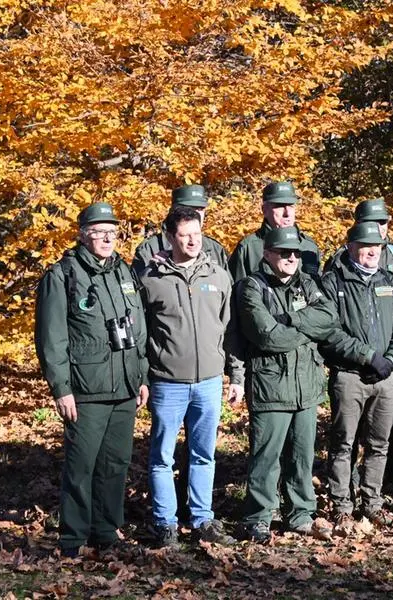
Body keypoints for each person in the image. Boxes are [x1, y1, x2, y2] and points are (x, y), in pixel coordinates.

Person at [34, 202, 149, 557]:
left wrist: (141, 376)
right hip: (86, 389)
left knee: (115, 464)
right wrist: (61, 388)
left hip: (126, 387)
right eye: (99, 232)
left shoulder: (124, 272)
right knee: (81, 465)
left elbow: (139, 328)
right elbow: (51, 339)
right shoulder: (62, 275)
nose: (107, 238)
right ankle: (73, 537)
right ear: (84, 235)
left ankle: (106, 530)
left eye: (112, 232)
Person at [138, 206, 242, 547]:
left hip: (210, 382)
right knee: (162, 456)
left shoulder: (218, 275)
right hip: (167, 382)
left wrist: (236, 375)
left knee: (203, 454)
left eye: (196, 233)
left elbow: (231, 330)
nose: (193, 240)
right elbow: (140, 336)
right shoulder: (151, 279)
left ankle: (202, 520)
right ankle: (165, 522)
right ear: (170, 237)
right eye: (185, 234)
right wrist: (143, 377)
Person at [230, 227, 338, 542]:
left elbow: (330, 318)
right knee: (266, 457)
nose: (291, 258)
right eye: (284, 253)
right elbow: (267, 336)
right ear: (267, 254)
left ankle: (300, 514)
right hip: (270, 386)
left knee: (302, 456)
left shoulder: (308, 283)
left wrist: (290, 320)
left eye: (296, 253)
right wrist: (308, 328)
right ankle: (258, 517)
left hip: (306, 384)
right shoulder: (251, 287)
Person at [320, 221, 393, 532]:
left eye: (376, 247)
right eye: (364, 245)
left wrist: (392, 359)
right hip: (349, 375)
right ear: (350, 247)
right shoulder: (333, 282)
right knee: (344, 443)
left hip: (386, 377)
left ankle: (372, 502)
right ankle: (342, 504)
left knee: (380, 443)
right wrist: (367, 356)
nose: (371, 251)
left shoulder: (391, 281)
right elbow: (329, 332)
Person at [227, 181, 321, 281]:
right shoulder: (249, 248)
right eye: (280, 206)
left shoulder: (309, 247)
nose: (287, 213)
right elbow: (235, 292)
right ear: (264, 210)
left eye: (291, 206)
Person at [132, 184, 229, 276]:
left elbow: (228, 288)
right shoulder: (151, 248)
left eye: (200, 209)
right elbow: (138, 286)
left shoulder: (215, 249)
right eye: (190, 208)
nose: (196, 214)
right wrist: (151, 270)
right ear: (174, 210)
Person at [323, 198, 393, 279]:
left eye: (382, 222)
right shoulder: (342, 257)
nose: (379, 227)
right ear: (358, 224)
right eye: (372, 222)